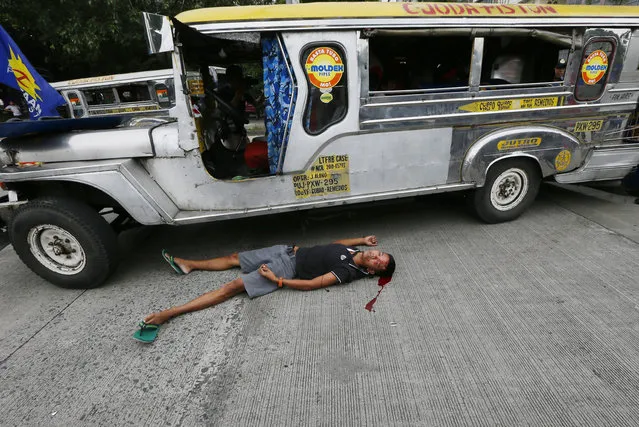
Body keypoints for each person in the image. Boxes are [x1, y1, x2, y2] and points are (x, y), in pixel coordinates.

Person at [144, 236, 396, 326]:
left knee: (232, 287)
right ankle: (188, 264)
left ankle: (170, 313)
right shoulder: (354, 253)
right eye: (379, 253)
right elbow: (337, 245)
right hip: (286, 250)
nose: (375, 256)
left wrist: (277, 280)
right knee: (234, 258)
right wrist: (361, 239)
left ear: (372, 272)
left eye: (378, 262)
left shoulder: (347, 271)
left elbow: (313, 284)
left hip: (288, 267)